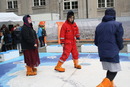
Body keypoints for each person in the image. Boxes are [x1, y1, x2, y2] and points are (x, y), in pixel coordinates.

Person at [94, 8, 124, 87]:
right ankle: (102, 85)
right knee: (114, 71)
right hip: (112, 52)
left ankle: (110, 85)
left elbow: (96, 42)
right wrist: (120, 47)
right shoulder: (117, 25)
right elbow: (119, 39)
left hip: (102, 53)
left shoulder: (99, 26)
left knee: (110, 70)